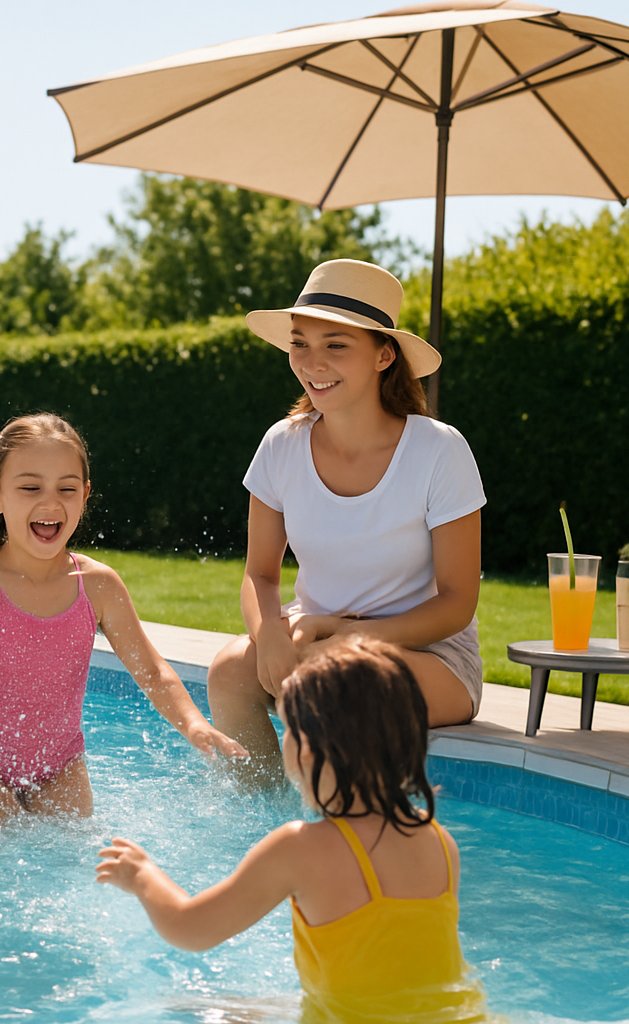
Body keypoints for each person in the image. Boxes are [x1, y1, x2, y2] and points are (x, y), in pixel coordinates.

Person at [97, 639, 489, 1024]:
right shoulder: (439, 841)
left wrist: (142, 875)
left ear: (305, 751)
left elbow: (191, 928)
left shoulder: (299, 848)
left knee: (199, 1009)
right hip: (462, 1018)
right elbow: (395, 980)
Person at [208, 258, 486, 781]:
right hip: (312, 636)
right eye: (300, 343)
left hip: (428, 657)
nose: (313, 362)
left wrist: (348, 641)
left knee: (332, 682)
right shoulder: (281, 445)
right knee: (228, 672)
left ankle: (339, 844)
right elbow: (261, 573)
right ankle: (262, 820)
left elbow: (457, 602)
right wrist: (268, 634)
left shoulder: (439, 451)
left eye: (336, 345)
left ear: (384, 355)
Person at [0, 412, 247, 819]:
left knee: (70, 869)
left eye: (66, 488)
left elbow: (152, 670)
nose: (50, 502)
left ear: (85, 494)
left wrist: (194, 724)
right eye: (29, 487)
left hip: (61, 768)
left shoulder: (98, 585)